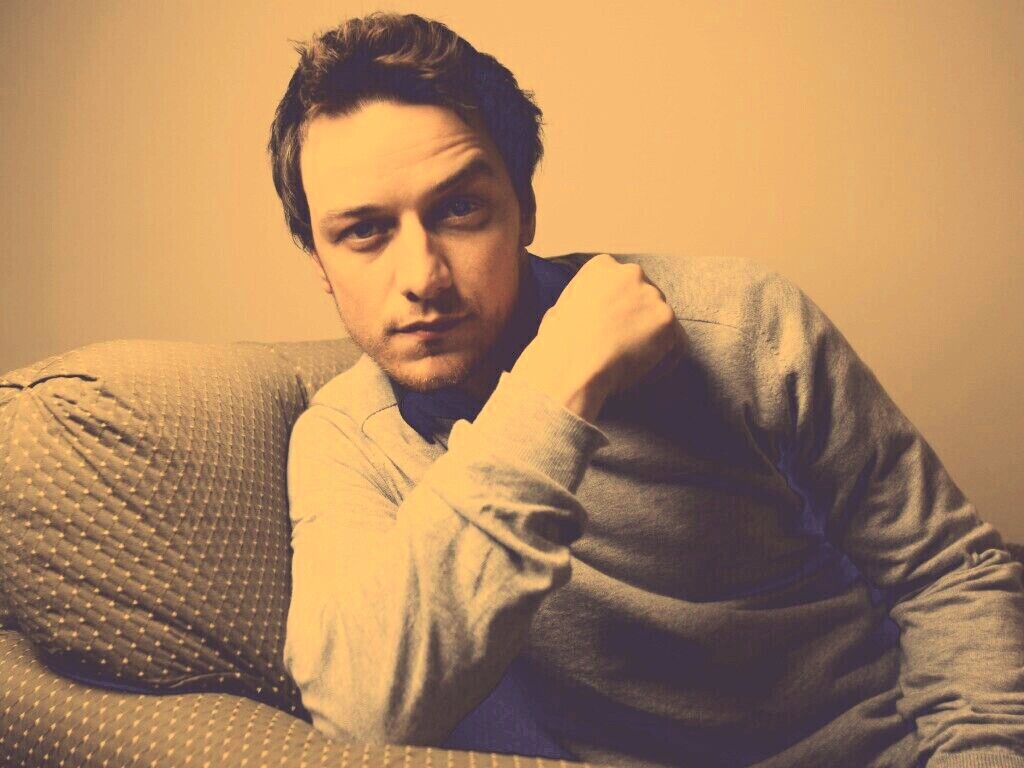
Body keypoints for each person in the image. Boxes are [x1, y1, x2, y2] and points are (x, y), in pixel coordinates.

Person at [270, 11, 1024, 767]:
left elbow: (946, 573)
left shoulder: (739, 324)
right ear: (318, 263)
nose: (423, 278)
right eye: (363, 231)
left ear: (525, 207)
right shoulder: (346, 441)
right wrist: (555, 387)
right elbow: (364, 710)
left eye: (460, 209)